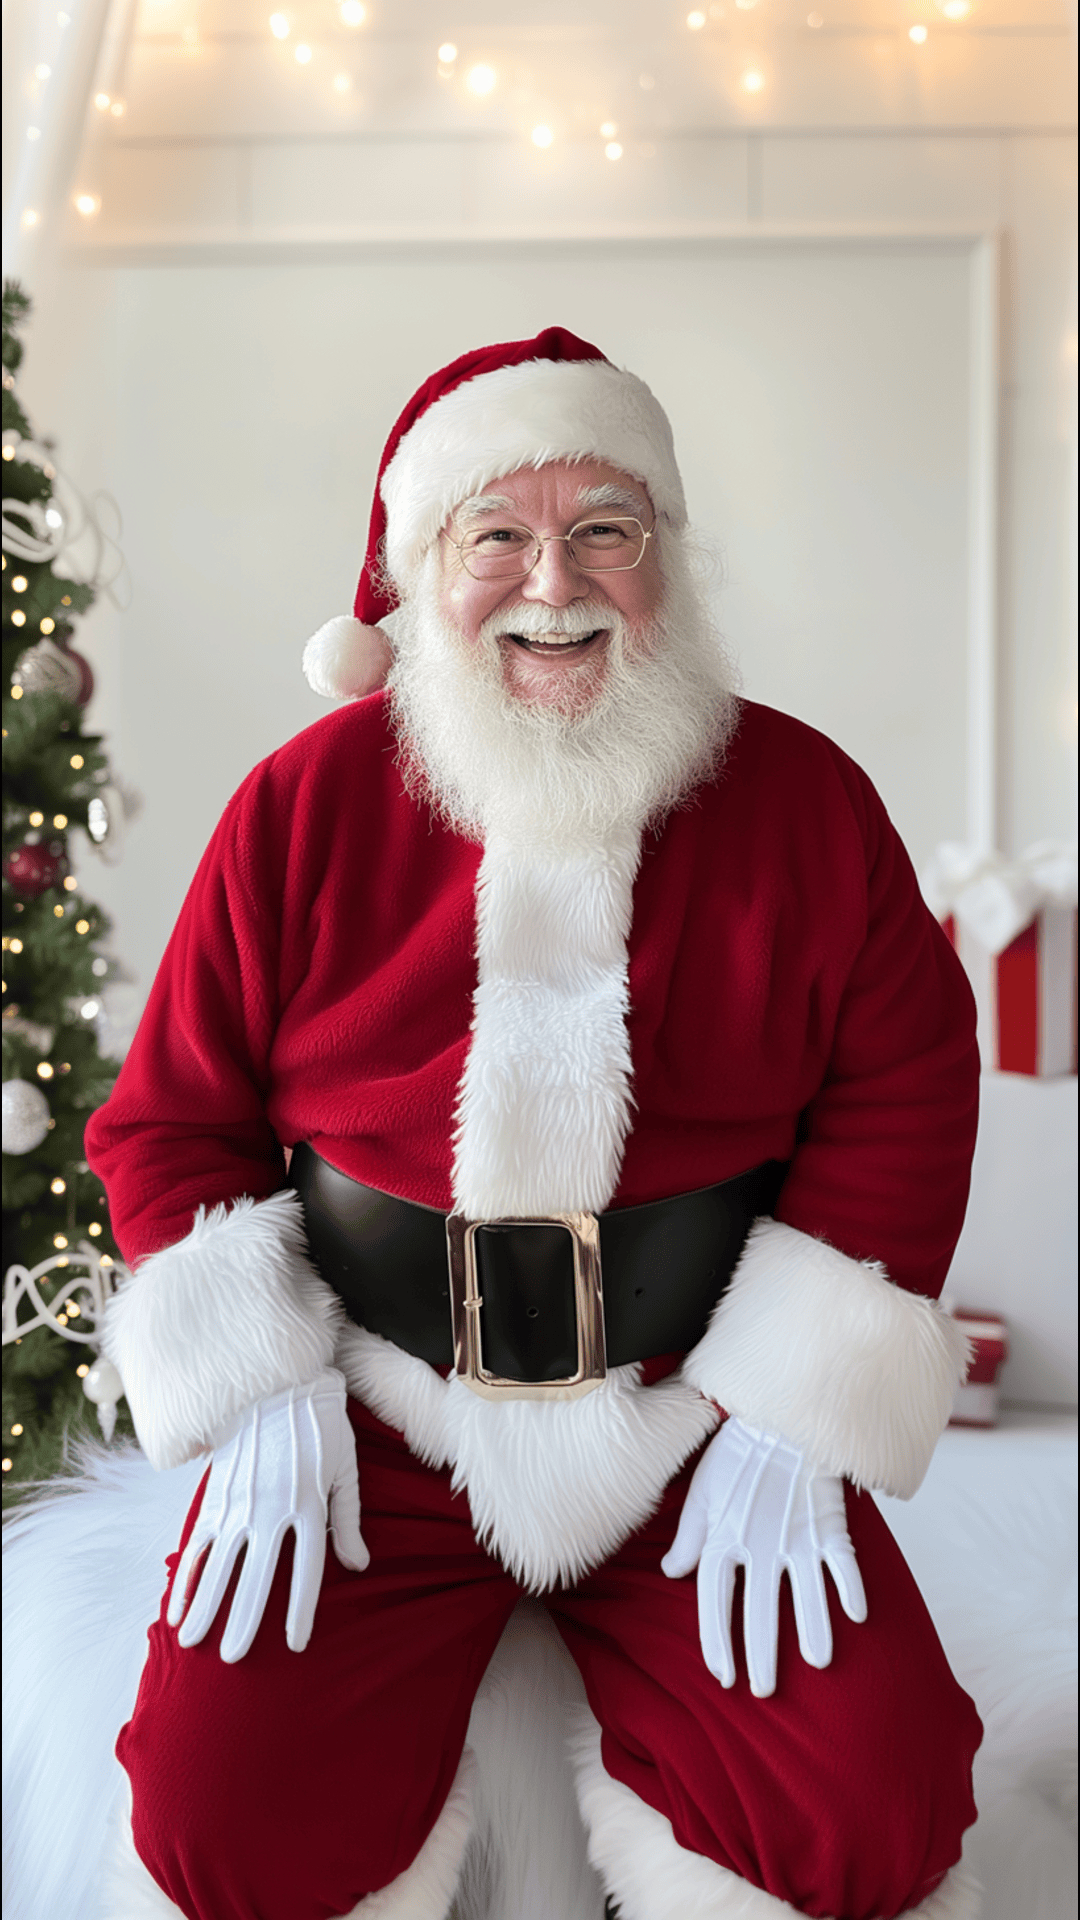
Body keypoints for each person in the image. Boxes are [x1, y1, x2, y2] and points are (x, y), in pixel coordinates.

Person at [85, 325, 983, 1920]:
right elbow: (169, 1119)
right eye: (494, 533)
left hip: (686, 1405)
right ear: (421, 574)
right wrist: (265, 1394)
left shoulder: (806, 799)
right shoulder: (303, 804)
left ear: (666, 563)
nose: (550, 580)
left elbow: (905, 1085)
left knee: (874, 1810)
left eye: (604, 531)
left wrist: (791, 1411)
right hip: (380, 1409)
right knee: (223, 1819)